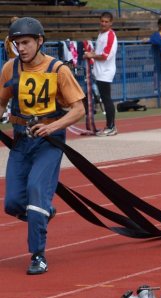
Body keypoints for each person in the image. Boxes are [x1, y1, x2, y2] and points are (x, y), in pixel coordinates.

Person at [0, 17, 85, 274]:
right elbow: (1, 101)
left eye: (25, 42)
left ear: (39, 41)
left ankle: (38, 255)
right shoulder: (9, 69)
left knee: (37, 189)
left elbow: (78, 108)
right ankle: (42, 213)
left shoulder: (58, 69)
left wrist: (51, 127)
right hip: (21, 140)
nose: (21, 48)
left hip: (49, 142)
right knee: (12, 203)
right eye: (17, 43)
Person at [84, 11, 118, 136]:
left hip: (105, 72)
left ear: (111, 23)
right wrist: (90, 54)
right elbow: (99, 52)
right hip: (99, 71)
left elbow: (105, 55)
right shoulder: (101, 34)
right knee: (105, 98)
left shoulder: (110, 35)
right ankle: (110, 126)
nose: (103, 23)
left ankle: (111, 126)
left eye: (106, 22)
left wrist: (92, 55)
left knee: (106, 98)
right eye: (102, 21)